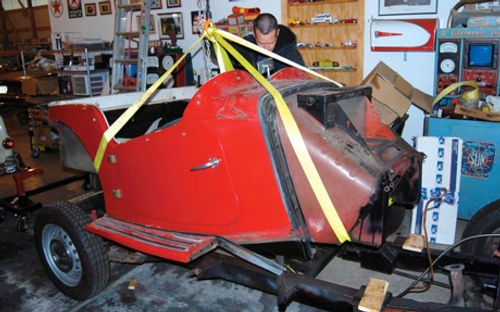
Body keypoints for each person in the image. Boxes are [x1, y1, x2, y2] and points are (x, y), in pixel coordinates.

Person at [235, 13, 304, 74]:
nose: (266, 48)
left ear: (277, 32)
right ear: (254, 34)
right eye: (261, 43)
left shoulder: (291, 53)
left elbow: (301, 81)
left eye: (270, 42)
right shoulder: (244, 47)